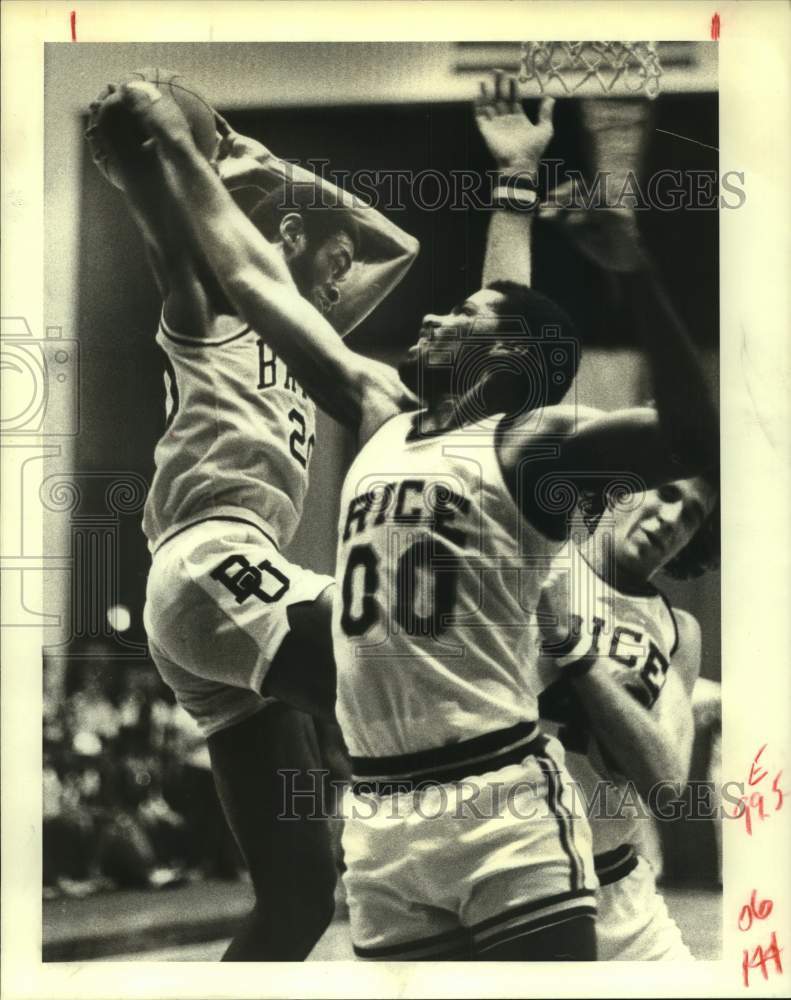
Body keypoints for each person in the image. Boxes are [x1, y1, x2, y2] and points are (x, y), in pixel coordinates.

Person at [110, 71, 718, 961]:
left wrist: (639, 280)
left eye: (460, 311)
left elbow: (685, 434)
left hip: (501, 801)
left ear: (503, 357)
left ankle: (590, 721)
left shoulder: (532, 447)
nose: (430, 312)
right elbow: (246, 273)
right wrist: (172, 151)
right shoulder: (380, 405)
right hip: (385, 818)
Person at [86, 81, 418, 960]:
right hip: (208, 555)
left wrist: (263, 162)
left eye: (346, 263)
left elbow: (400, 246)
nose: (346, 271)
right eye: (329, 252)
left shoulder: (312, 337)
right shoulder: (213, 311)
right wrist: (161, 156)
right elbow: (169, 234)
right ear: (287, 238)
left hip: (225, 595)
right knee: (399, 683)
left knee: (300, 898)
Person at [537, 472, 719, 960]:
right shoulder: (538, 567)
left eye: (694, 516)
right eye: (667, 493)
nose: (673, 520)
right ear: (619, 487)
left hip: (618, 888)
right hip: (521, 878)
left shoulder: (679, 629)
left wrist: (576, 653)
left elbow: (666, 785)